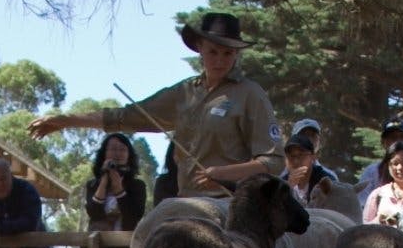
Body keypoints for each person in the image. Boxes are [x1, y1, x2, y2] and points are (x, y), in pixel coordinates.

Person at [31, 12, 283, 197]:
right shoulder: (184, 92)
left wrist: (223, 174)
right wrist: (65, 121)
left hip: (232, 202)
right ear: (200, 49)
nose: (220, 60)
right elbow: (126, 116)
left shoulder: (251, 94)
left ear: (236, 54)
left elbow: (273, 162)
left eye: (228, 53)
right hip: (185, 201)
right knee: (150, 234)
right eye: (213, 52)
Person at [284, 123, 355, 217]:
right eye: (291, 156)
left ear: (313, 157)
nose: (296, 161)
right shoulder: (281, 181)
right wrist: (288, 188)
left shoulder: (326, 179)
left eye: (301, 155)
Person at [362, 140, 403, 227]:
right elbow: (364, 228)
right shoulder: (377, 195)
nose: (400, 167)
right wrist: (378, 220)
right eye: (395, 163)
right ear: (388, 166)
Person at [354, 118, 403, 200]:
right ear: (383, 142)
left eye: (402, 137)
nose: (398, 141)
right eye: (393, 138)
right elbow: (362, 205)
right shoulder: (371, 173)